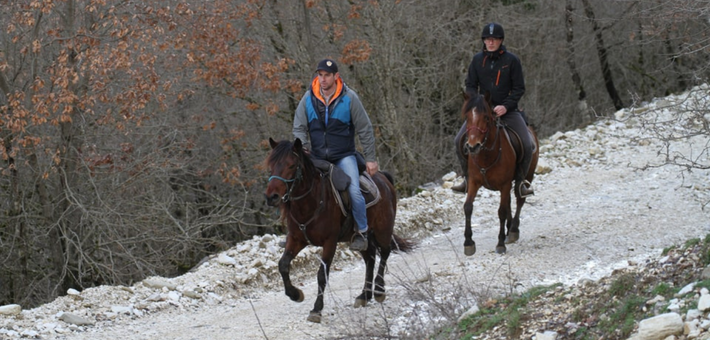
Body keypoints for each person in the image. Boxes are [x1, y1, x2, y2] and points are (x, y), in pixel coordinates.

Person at [293, 58, 378, 251]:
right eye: (320, 75)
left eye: (327, 75)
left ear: (336, 76)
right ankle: (295, 232)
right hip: (316, 157)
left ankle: (361, 232)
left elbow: (365, 128)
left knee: (355, 192)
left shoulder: (350, 98)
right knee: (293, 186)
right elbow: (298, 127)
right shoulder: (308, 99)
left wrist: (371, 158)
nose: (323, 79)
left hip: (344, 156)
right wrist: (303, 146)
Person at [452, 22, 535, 198]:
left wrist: (506, 106)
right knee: (458, 140)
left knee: (528, 144)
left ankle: (520, 183)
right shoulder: (476, 60)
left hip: (508, 110)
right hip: (482, 111)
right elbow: (470, 85)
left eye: (494, 39)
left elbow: (519, 88)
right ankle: (467, 179)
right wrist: (479, 103)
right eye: (488, 39)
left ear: (500, 40)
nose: (490, 42)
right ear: (484, 41)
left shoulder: (511, 60)